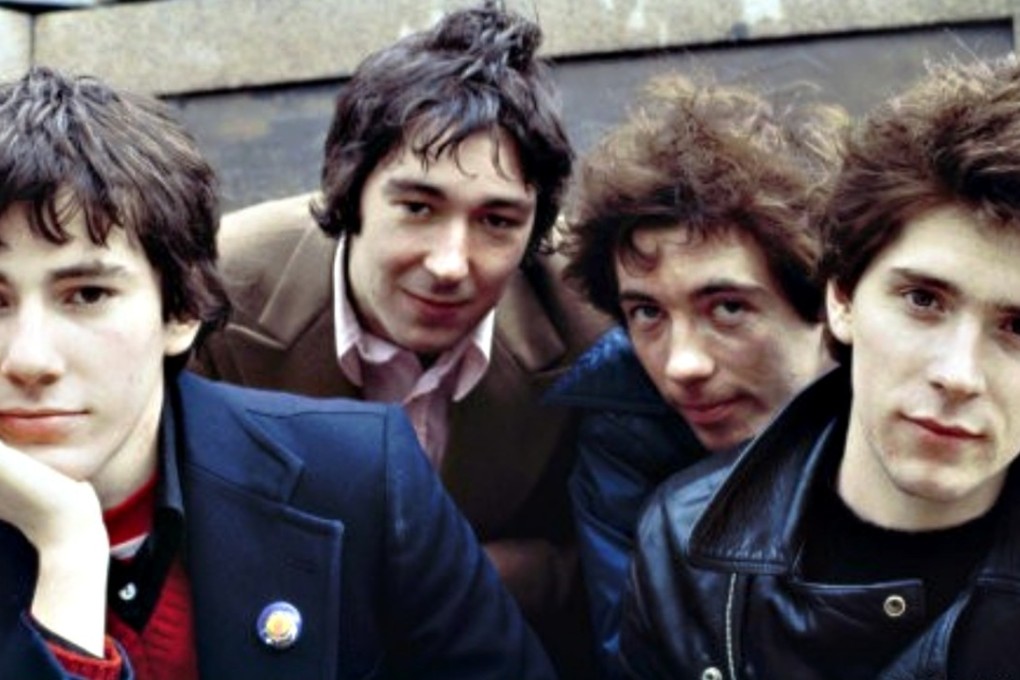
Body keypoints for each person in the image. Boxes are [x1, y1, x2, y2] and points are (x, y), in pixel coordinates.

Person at [0, 66, 556, 679]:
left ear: (181, 310)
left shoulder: (363, 475)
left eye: (87, 295)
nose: (29, 359)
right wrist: (68, 550)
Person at [192, 1, 607, 671]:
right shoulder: (218, 290)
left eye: (498, 221)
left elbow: (625, 548)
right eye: (417, 208)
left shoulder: (593, 317)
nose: (451, 263)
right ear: (350, 191)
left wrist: (485, 576)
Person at [619, 55, 1020, 679]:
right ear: (841, 298)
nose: (958, 374)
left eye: (1017, 328)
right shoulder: (683, 541)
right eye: (923, 300)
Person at [545, 73, 844, 676]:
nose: (682, 365)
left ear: (828, 305)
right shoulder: (623, 430)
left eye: (727, 308)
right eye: (647, 312)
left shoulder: (920, 406)